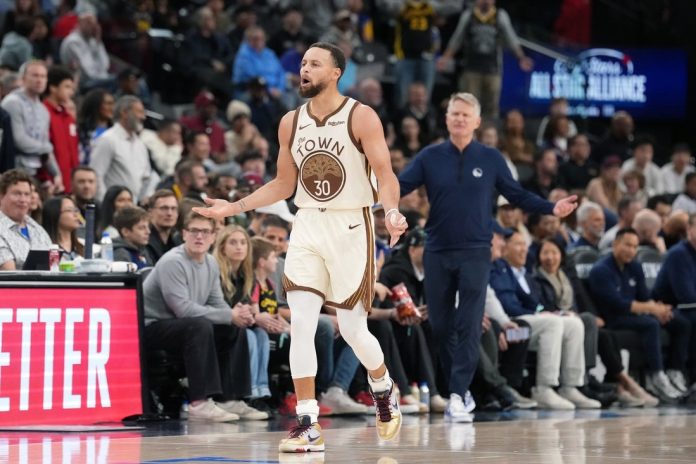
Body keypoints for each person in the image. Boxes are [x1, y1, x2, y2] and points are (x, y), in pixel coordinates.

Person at [193, 42, 407, 452]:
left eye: (315, 64)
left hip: (351, 223)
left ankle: (382, 385)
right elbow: (283, 184)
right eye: (304, 63)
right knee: (304, 324)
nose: (305, 69)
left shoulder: (361, 116)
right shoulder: (290, 122)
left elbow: (385, 174)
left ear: (336, 72)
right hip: (307, 223)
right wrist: (233, 208)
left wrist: (393, 211)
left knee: (352, 328)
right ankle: (308, 423)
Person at [398, 92, 578, 421]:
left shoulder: (491, 158)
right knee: (440, 326)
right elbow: (399, 186)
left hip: (476, 252)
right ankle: (459, 391)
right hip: (437, 250)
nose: (459, 119)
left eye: (466, 115)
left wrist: (551, 207)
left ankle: (456, 394)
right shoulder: (429, 156)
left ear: (477, 121)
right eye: (454, 113)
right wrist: (366, 194)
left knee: (468, 324)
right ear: (447, 119)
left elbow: (517, 194)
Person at [143, 211, 258, 422]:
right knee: (199, 326)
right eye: (194, 231)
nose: (199, 236)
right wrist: (229, 314)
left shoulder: (211, 263)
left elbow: (216, 301)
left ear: (213, 236)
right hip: (152, 326)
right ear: (184, 234)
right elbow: (183, 310)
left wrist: (236, 316)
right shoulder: (173, 262)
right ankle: (199, 403)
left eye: (205, 232)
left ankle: (229, 399)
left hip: (182, 324)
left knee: (232, 327)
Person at [588, 228, 691, 402]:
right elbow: (618, 304)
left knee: (681, 322)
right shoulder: (601, 270)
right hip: (612, 318)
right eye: (627, 245)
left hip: (635, 314)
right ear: (615, 244)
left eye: (635, 246)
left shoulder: (635, 266)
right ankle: (656, 376)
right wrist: (652, 309)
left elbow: (645, 297)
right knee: (650, 324)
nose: (631, 250)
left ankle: (675, 371)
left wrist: (659, 311)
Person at [437, 0, 533, 119]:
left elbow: (511, 38)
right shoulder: (469, 15)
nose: (486, 1)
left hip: (493, 69)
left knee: (491, 106)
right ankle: (471, 129)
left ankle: (490, 129)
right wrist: (445, 58)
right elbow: (457, 38)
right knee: (469, 104)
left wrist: (521, 57)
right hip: (471, 68)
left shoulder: (500, 15)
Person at [1, 60, 62, 191]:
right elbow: (19, 140)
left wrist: (56, 174)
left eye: (43, 76)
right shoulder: (12, 102)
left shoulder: (43, 110)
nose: (39, 80)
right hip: (12, 171)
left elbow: (45, 147)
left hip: (34, 172)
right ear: (23, 78)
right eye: (35, 75)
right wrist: (46, 147)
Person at [652, 213, 696, 390]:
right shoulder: (678, 254)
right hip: (667, 307)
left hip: (689, 307)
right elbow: (685, 295)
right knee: (691, 319)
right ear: (689, 229)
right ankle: (680, 372)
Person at [90, 96, 157, 203]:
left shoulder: (140, 144)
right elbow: (96, 175)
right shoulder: (107, 139)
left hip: (134, 207)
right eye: (139, 112)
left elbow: (146, 177)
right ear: (124, 112)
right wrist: (105, 204)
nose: (143, 117)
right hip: (112, 207)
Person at [0, 169, 52, 269]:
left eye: (27, 194)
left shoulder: (37, 228)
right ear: (1, 196)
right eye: (17, 194)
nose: (23, 200)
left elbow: (54, 263)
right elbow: (8, 272)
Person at [44, 65, 79, 193]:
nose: (71, 92)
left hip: (70, 185)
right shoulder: (43, 113)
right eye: (67, 87)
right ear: (53, 88)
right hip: (53, 184)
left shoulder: (68, 117)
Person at [41, 195, 83, 260]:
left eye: (76, 210)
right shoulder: (45, 247)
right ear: (55, 214)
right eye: (69, 210)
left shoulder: (82, 246)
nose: (76, 215)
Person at [146, 189, 181, 264]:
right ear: (150, 212)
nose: (169, 213)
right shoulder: (144, 241)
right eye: (164, 208)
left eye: (173, 208)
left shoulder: (178, 242)